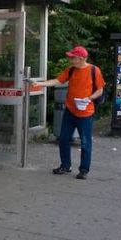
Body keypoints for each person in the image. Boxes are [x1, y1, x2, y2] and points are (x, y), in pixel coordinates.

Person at [38, 46, 105, 179]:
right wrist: (40, 84)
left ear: (80, 59)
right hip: (70, 110)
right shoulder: (71, 70)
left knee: (85, 142)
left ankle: (84, 169)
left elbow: (100, 90)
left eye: (72, 57)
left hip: (86, 112)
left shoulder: (94, 70)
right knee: (63, 139)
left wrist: (89, 98)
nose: (70, 59)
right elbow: (58, 80)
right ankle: (65, 166)